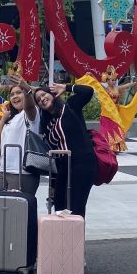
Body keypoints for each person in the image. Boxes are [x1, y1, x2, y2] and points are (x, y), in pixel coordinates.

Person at [34, 82, 97, 217]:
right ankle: (63, 238)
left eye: (44, 94)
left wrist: (67, 87)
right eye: (38, 100)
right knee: (60, 208)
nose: (42, 99)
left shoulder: (70, 107)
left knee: (76, 208)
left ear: (52, 94)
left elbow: (88, 91)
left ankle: (76, 237)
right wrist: (52, 185)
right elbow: (53, 155)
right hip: (62, 170)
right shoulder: (47, 125)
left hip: (82, 164)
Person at [0, 81, 42, 197]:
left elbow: (29, 106)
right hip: (2, 170)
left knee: (19, 211)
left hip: (22, 172)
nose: (15, 96)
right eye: (12, 94)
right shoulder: (11, 118)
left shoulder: (30, 114)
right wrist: (3, 119)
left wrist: (27, 89)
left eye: (19, 92)